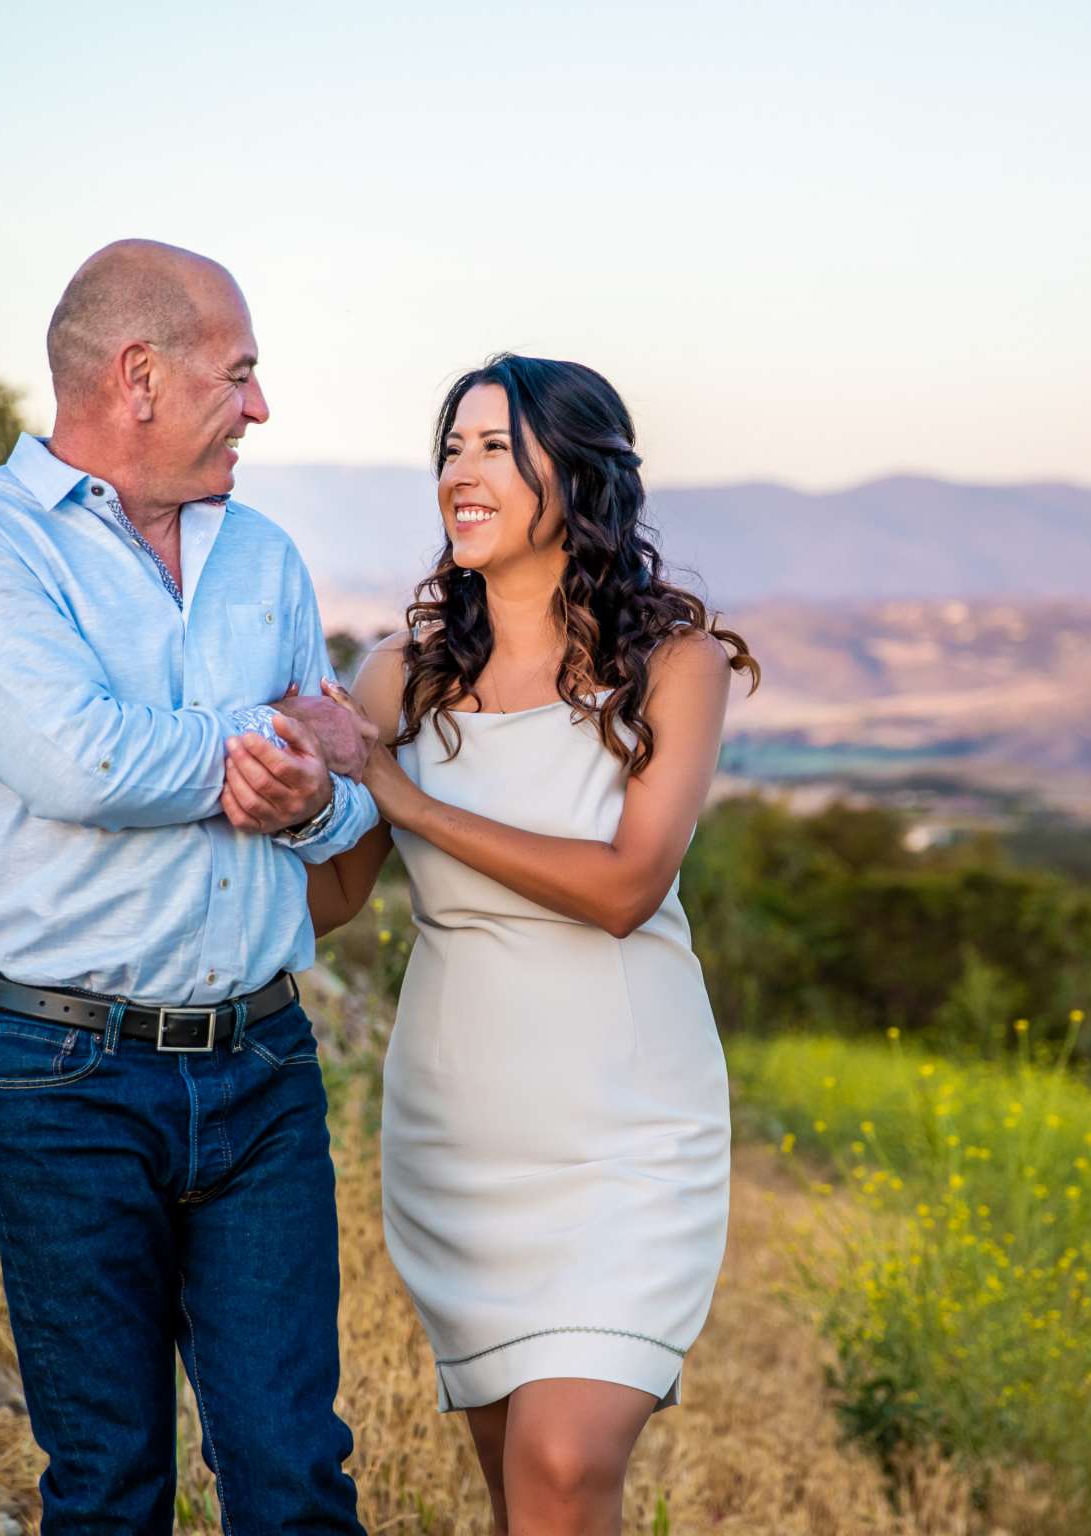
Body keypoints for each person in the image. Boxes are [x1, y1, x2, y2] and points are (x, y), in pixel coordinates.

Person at [0, 240, 375, 1535]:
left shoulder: (264, 557)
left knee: (296, 1474)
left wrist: (320, 792)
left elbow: (342, 781)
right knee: (109, 1488)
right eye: (243, 374)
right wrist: (261, 742)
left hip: (264, 1068)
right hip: (65, 1081)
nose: (262, 407)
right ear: (141, 376)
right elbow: (79, 757)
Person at [281, 354, 758, 1536]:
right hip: (460, 1142)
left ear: (579, 473)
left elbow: (626, 889)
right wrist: (288, 796)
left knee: (560, 1461)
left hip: (626, 1134)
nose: (463, 471)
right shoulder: (404, 674)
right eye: (452, 448)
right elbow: (335, 896)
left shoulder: (674, 667)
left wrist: (401, 790)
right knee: (526, 1500)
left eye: (497, 446)